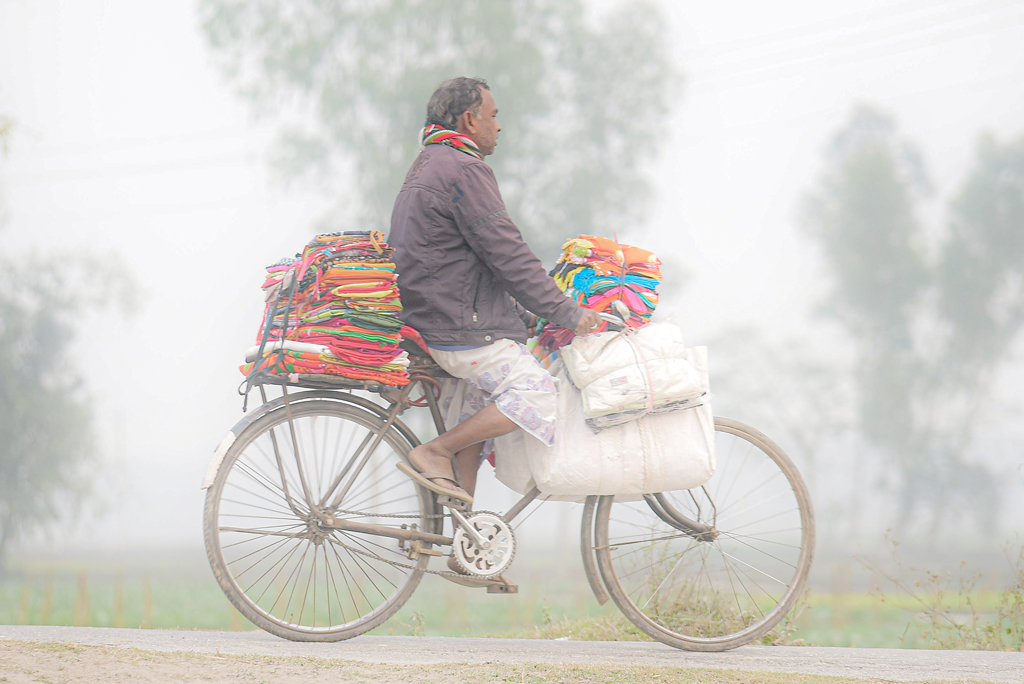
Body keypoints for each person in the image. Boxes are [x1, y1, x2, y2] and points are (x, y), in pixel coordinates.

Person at [389, 76, 601, 507]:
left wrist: (526, 316)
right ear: (470, 120)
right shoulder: (464, 169)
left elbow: (460, 262)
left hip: (433, 319)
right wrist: (566, 311)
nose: (498, 127)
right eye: (494, 116)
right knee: (538, 395)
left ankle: (469, 545)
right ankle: (435, 452)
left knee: (474, 411)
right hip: (456, 329)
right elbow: (506, 252)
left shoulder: (428, 164)